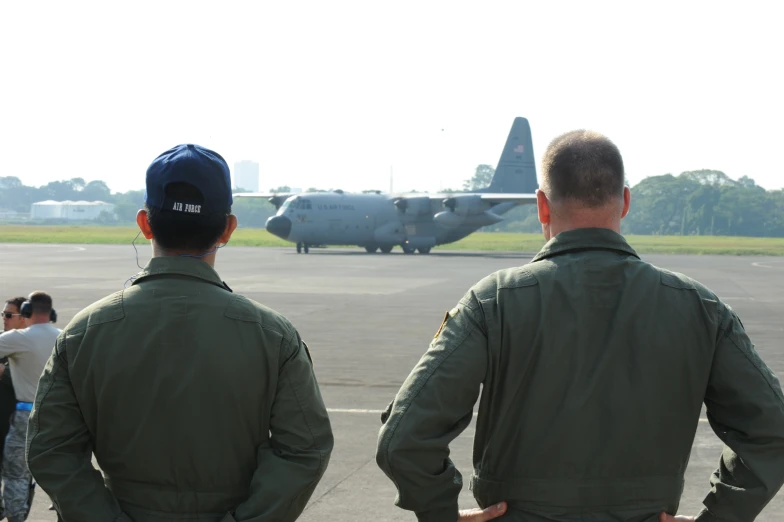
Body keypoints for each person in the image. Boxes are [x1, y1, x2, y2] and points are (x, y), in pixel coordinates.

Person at [375, 130, 784, 522]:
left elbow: (404, 439)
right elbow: (772, 431)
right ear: (624, 201)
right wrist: (722, 516)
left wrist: (440, 511)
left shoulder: (494, 301)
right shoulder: (701, 308)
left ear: (542, 205)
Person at [26, 144, 334, 522]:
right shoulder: (273, 336)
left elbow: (50, 448)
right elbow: (305, 450)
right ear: (228, 228)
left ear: (145, 223)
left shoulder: (85, 332)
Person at [0, 292, 61, 522]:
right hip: (59, 416)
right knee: (60, 472)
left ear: (26, 312)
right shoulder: (64, 336)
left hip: (26, 415)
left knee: (16, 475)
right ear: (51, 313)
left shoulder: (19, 338)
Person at [0, 297, 25, 519]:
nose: (4, 319)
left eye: (9, 315)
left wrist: (4, 373)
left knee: (19, 480)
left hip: (20, 429)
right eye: (3, 315)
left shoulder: (31, 346)